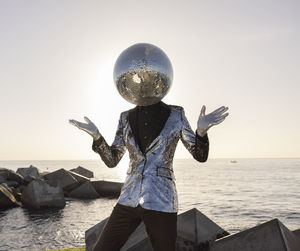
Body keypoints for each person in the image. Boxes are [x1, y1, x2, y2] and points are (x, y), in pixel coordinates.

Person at [69, 43, 229, 251]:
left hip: (161, 200)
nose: (143, 81)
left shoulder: (176, 114)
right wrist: (97, 137)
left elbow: (199, 156)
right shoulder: (125, 118)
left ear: (158, 80)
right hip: (128, 199)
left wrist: (201, 133)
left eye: (149, 76)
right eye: (138, 76)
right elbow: (112, 160)